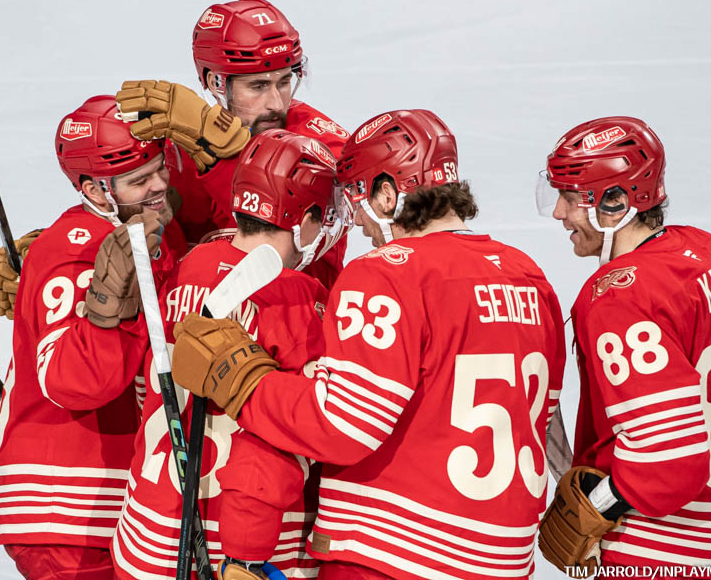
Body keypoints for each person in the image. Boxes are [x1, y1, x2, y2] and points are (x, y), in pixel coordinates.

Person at [169, 109, 567, 580]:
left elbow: (340, 424)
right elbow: (544, 414)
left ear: (388, 193)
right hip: (503, 557)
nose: (357, 221)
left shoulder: (385, 274)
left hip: (394, 553)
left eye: (359, 195)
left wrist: (241, 379)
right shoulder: (527, 273)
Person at [52, 129, 350, 579]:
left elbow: (143, 388)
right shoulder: (297, 302)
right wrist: (245, 557)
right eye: (326, 214)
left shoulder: (184, 267)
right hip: (234, 547)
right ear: (305, 218)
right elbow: (282, 438)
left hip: (145, 533)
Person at [534, 116, 711, 577]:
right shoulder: (708, 253)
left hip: (667, 545)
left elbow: (667, 462)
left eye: (571, 198)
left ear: (615, 202)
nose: (559, 213)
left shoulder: (617, 299)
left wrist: (600, 503)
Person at [0, 95, 188, 579]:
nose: (159, 185)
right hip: (68, 506)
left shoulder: (153, 233)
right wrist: (107, 314)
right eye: (140, 180)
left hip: (107, 500)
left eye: (160, 169)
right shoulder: (74, 248)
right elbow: (72, 382)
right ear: (96, 191)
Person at [129, 0, 350, 289]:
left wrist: (219, 162)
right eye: (258, 86)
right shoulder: (178, 150)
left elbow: (298, 247)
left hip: (297, 307)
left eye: (284, 82)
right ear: (215, 82)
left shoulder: (322, 143)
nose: (276, 104)